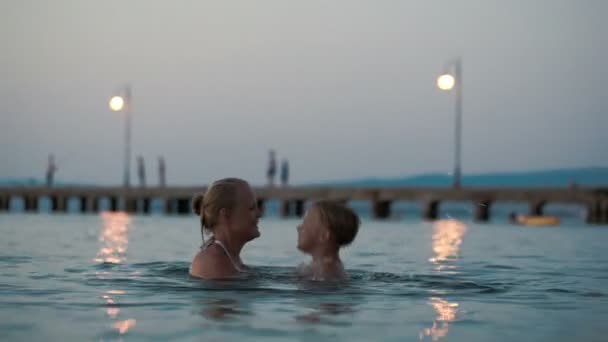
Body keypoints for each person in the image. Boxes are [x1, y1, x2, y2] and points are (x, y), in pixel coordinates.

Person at [190, 178, 262, 279]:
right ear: (226, 215)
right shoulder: (213, 261)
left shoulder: (228, 258)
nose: (259, 214)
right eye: (251, 208)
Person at [296, 200, 360, 281]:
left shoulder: (325, 271)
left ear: (323, 235)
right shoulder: (322, 267)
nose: (299, 227)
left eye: (306, 223)